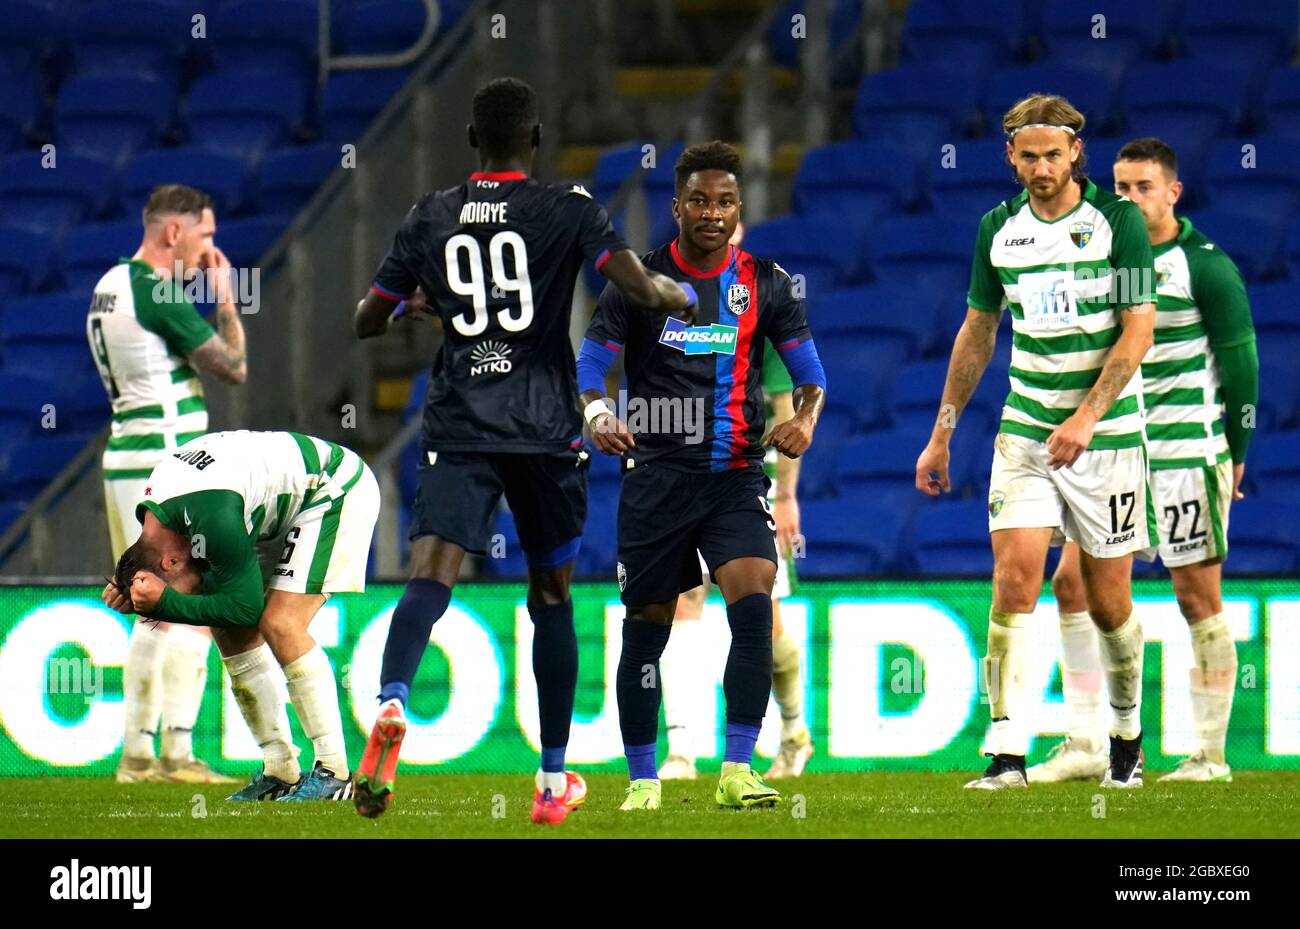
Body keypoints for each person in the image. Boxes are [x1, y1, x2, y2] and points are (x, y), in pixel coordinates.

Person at [350, 77, 695, 825]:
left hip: (457, 422)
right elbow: (634, 284)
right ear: (534, 139)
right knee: (551, 596)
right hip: (542, 427)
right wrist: (676, 296)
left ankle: (391, 701)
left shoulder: (429, 213)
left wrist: (416, 301)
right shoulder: (567, 207)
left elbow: (365, 322)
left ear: (472, 141)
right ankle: (550, 778)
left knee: (429, 578)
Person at [914, 94, 1157, 790]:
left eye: (1054, 154)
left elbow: (1138, 327)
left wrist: (1086, 416)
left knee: (1107, 599)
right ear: (1011, 157)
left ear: (1077, 152)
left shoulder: (1118, 224)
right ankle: (1007, 753)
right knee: (1014, 579)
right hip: (1026, 431)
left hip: (1106, 434)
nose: (1042, 166)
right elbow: (978, 333)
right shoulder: (999, 229)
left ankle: (1127, 737)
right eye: (1029, 155)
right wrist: (942, 435)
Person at [578, 140, 826, 811]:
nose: (712, 213)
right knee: (649, 624)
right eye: (699, 201)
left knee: (754, 603)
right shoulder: (638, 282)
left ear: (738, 207)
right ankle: (643, 777)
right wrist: (598, 412)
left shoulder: (767, 282)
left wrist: (804, 421)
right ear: (678, 205)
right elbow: (589, 363)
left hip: (735, 478)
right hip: (657, 477)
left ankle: (738, 767)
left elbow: (812, 379)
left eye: (724, 202)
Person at [1032, 138, 1257, 784]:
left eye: (1143, 188)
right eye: (1121, 187)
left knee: (1196, 595)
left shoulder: (1204, 266)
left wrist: (1237, 452)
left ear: (1172, 192)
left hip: (1187, 449)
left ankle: (1210, 754)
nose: (1128, 199)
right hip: (1116, 448)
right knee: (1072, 584)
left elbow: (1241, 363)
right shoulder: (1099, 251)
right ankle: (1084, 741)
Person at [101, 429, 380, 801]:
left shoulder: (209, 516)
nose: (190, 591)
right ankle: (280, 769)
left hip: (334, 488)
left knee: (281, 623)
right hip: (272, 507)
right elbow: (211, 597)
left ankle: (335, 772)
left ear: (170, 561)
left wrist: (166, 604)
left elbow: (245, 605)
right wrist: (128, 587)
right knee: (228, 625)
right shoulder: (162, 520)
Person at [87, 183, 249, 785]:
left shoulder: (108, 284)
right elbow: (233, 368)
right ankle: (173, 754)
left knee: (151, 613)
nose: (210, 252)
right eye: (205, 236)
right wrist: (226, 299)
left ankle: (138, 755)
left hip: (128, 457)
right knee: (185, 611)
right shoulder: (154, 290)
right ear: (173, 232)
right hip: (164, 465)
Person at [658, 345, 812, 781]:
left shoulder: (761, 304)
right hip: (687, 478)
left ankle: (795, 732)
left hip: (748, 482)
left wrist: (784, 496)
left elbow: (786, 407)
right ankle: (681, 752)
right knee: (684, 597)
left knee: (765, 624)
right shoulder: (677, 306)